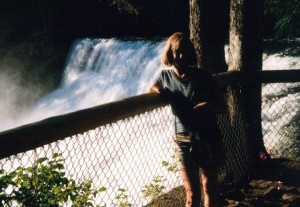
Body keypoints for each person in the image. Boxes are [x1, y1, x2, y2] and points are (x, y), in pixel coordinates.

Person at [149, 32, 225, 207]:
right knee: (191, 193)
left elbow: (222, 107)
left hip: (207, 137)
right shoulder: (164, 77)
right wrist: (156, 90)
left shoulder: (203, 76)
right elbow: (152, 86)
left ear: (191, 54)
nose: (181, 56)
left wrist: (208, 106)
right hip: (182, 140)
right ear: (170, 53)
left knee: (209, 187)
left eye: (186, 52)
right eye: (177, 52)